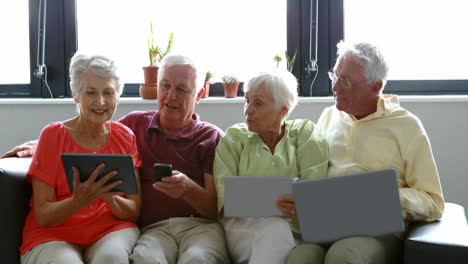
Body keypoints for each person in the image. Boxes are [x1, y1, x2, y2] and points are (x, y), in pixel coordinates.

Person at [3, 54, 231, 263]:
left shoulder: (210, 137)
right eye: (165, 86)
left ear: (199, 94)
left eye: (182, 89)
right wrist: (40, 145)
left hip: (197, 226)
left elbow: (218, 208)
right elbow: (89, 130)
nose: (171, 96)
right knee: (145, 259)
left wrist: (187, 189)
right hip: (154, 230)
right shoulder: (135, 125)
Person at [287, 41, 445, 264]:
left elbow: (433, 201)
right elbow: (312, 171)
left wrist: (386, 195)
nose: (335, 88)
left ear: (376, 87)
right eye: (335, 76)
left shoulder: (406, 126)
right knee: (300, 257)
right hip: (326, 223)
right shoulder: (328, 116)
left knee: (343, 256)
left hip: (377, 230)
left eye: (347, 82)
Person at [20, 53, 142, 263]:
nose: (101, 102)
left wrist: (107, 195)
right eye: (91, 92)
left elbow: (134, 211)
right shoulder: (53, 136)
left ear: (118, 96)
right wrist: (79, 200)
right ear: (76, 94)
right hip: (54, 235)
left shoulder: (125, 137)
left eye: (108, 93)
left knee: (111, 259)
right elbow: (43, 215)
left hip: (110, 230)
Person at [214, 70, 329, 263]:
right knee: (276, 229)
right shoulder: (234, 138)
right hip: (243, 230)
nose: (248, 110)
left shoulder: (305, 133)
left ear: (283, 110)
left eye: (257, 103)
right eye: (247, 100)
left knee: (278, 231)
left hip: (296, 230)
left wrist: (301, 203)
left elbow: (313, 193)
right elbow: (226, 199)